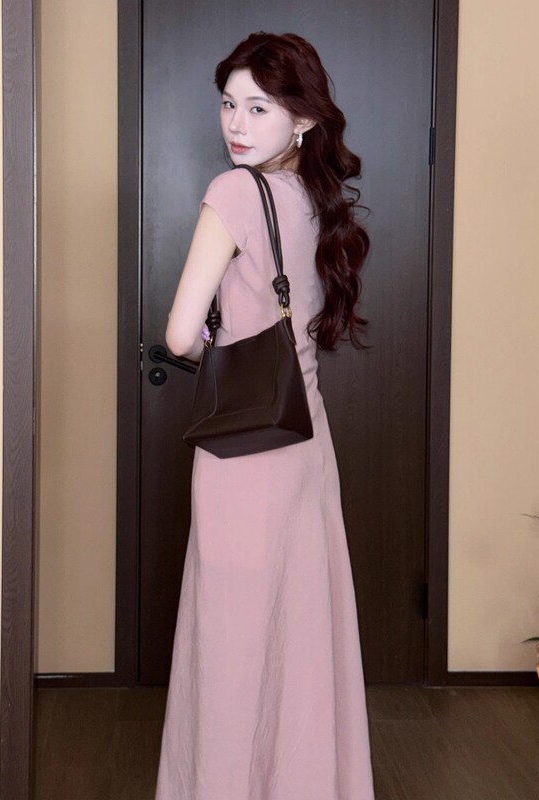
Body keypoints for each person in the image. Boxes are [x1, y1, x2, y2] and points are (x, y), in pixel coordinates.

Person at [156, 31, 376, 800]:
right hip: (306, 444)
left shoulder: (234, 194)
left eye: (259, 107)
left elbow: (180, 336)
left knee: (233, 642)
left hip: (241, 455)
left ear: (303, 118)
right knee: (300, 636)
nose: (236, 123)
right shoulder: (316, 200)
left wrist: (215, 339)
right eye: (228, 104)